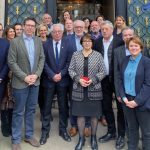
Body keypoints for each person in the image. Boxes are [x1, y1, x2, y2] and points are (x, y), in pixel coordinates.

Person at [8, 17, 45, 150]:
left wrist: (36, 75)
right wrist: (25, 77)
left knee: (31, 110)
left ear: (35, 28)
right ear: (23, 26)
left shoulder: (38, 41)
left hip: (35, 82)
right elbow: (11, 62)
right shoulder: (15, 42)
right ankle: (16, 139)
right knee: (18, 111)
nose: (30, 27)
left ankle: (29, 135)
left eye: (32, 25)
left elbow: (42, 58)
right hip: (20, 83)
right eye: (28, 25)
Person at [69, 33, 106, 150]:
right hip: (79, 89)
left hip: (93, 89)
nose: (87, 43)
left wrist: (93, 80)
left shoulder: (98, 55)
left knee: (94, 116)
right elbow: (71, 69)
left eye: (89, 41)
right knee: (80, 115)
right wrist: (78, 79)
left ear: (92, 43)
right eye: (84, 41)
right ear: (81, 43)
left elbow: (103, 71)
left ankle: (93, 138)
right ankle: (81, 138)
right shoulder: (75, 55)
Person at [40, 23, 71, 145]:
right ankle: (45, 131)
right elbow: (43, 62)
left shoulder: (67, 44)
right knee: (46, 108)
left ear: (62, 32)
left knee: (63, 107)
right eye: (54, 32)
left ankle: (63, 130)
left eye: (59, 31)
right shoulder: (45, 44)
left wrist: (61, 74)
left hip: (63, 81)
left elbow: (69, 61)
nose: (57, 33)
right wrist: (52, 75)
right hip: (49, 80)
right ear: (51, 33)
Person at [93, 20, 123, 144]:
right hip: (103, 79)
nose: (104, 31)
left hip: (116, 79)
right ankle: (111, 131)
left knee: (121, 108)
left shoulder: (118, 41)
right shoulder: (97, 42)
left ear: (112, 30)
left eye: (106, 29)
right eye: (102, 29)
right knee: (106, 106)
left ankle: (121, 134)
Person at [118, 36, 150, 150]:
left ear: (141, 48)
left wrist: (136, 101)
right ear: (128, 48)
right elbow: (120, 80)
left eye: (136, 45)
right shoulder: (124, 60)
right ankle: (132, 147)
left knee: (146, 131)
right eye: (131, 46)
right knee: (132, 129)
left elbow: (148, 85)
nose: (133, 48)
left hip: (142, 101)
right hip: (127, 101)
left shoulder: (146, 62)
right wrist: (123, 97)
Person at [114, 27, 135, 149]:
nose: (127, 37)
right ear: (122, 38)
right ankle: (121, 136)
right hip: (123, 90)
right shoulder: (118, 51)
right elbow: (116, 73)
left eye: (130, 35)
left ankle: (135, 137)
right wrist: (118, 93)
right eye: (125, 35)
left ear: (134, 35)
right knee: (121, 114)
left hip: (138, 90)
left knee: (138, 115)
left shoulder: (141, 49)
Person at [0, 38, 10, 136]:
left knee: (3, 106)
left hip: (1, 81)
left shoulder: (5, 43)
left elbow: (7, 62)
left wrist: (1, 77)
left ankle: (4, 127)